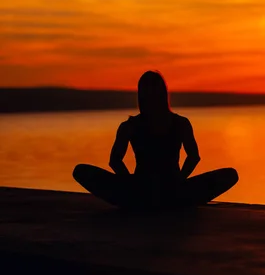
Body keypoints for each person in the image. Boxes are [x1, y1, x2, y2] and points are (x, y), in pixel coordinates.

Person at [73, 70, 239, 210]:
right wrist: (132, 183)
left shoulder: (176, 123)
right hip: (149, 190)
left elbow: (115, 161)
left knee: (230, 175)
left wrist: (178, 180)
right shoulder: (132, 126)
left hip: (165, 190)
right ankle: (160, 201)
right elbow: (115, 161)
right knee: (81, 170)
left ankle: (151, 201)